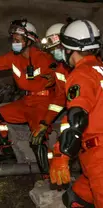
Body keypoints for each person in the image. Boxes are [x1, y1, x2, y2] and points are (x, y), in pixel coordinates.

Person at [0, 19, 57, 164]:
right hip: (25, 102)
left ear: (29, 40)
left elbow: (59, 73)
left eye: (18, 40)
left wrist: (55, 76)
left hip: (42, 104)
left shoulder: (43, 58)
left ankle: (48, 177)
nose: (15, 43)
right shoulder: (12, 58)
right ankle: (7, 152)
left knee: (38, 139)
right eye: (13, 39)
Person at [48, 19, 103, 207]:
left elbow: (78, 118)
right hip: (93, 158)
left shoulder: (81, 74)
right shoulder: (100, 70)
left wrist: (62, 155)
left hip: (100, 156)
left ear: (69, 49)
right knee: (75, 197)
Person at [30, 23, 71, 145]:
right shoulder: (60, 70)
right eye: (51, 50)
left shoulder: (84, 68)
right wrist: (44, 123)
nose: (54, 53)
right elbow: (60, 99)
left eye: (56, 48)